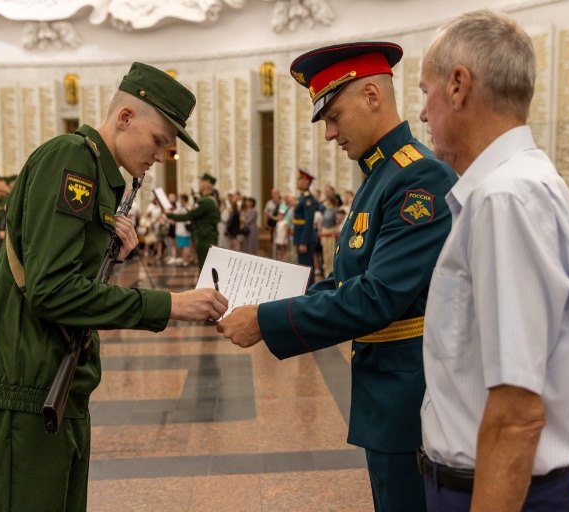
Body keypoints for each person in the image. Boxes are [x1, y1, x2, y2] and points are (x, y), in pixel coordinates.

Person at [0, 62, 228, 512]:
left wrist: (113, 258)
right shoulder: (73, 159)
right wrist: (170, 305)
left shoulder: (101, 176)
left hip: (56, 384)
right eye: (159, 140)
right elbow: (52, 290)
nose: (163, 156)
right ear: (125, 118)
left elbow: (63, 278)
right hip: (26, 388)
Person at [217, 41, 456, 512]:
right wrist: (256, 295)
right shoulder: (379, 177)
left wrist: (266, 321)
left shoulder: (417, 177)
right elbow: (346, 281)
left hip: (411, 396)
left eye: (333, 116)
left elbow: (377, 297)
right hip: (385, 392)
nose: (328, 134)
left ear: (372, 96)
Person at [417, 10, 569, 511]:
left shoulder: (505, 198)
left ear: (458, 85)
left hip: (501, 493)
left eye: (424, 92)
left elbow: (517, 413)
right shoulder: (519, 186)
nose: (424, 114)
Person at [165, 173, 219, 268]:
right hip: (207, 237)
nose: (199, 183)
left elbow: (189, 216)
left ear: (208, 184)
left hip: (204, 238)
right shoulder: (211, 200)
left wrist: (169, 215)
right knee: (206, 267)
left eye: (202, 181)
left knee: (204, 267)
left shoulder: (206, 202)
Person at [293, 168, 319, 283]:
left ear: (306, 182)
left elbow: (308, 222)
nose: (297, 181)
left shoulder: (308, 199)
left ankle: (310, 293)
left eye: (300, 179)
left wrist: (303, 242)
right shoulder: (302, 197)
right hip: (300, 236)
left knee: (307, 268)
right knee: (303, 267)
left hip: (306, 239)